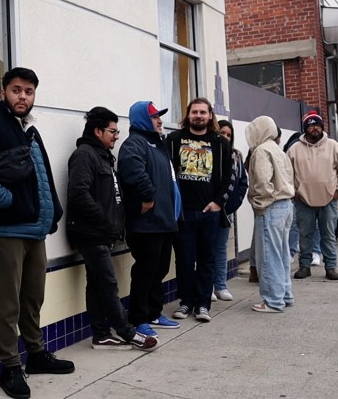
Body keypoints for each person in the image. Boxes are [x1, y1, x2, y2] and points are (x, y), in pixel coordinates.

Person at [0, 67, 72, 399]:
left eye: (29, 92)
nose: (23, 96)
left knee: (32, 298)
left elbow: (40, 178)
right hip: (6, 231)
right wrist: (10, 203)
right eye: (16, 90)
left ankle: (36, 355)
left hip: (34, 231)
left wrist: (51, 212)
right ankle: (10, 366)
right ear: (4, 92)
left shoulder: (27, 130)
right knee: (8, 304)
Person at [66, 106, 157, 351]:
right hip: (91, 233)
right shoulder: (85, 155)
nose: (117, 136)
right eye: (113, 131)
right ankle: (127, 333)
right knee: (108, 283)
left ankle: (101, 334)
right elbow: (78, 193)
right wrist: (104, 220)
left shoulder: (103, 155)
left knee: (96, 284)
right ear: (98, 131)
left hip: (101, 232)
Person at [118, 101, 181, 337]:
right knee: (145, 271)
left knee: (160, 270)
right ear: (143, 119)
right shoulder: (134, 143)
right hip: (145, 225)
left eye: (160, 117)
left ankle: (154, 312)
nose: (160, 120)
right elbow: (132, 170)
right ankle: (138, 317)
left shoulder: (158, 144)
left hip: (164, 222)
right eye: (155, 117)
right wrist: (147, 196)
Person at [167, 98, 232, 322]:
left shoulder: (221, 142)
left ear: (210, 115)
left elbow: (228, 177)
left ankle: (203, 304)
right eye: (194, 112)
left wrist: (218, 202)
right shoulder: (174, 140)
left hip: (210, 213)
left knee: (207, 259)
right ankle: (186, 302)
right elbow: (168, 174)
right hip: (183, 212)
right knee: (184, 260)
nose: (198, 116)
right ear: (188, 115)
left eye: (203, 112)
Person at [287, 111, 338, 281]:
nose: (314, 128)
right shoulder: (294, 149)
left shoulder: (333, 146)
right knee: (305, 234)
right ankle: (304, 266)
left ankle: (331, 267)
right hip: (303, 200)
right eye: (311, 125)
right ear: (305, 129)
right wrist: (294, 192)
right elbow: (287, 173)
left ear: (322, 127)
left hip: (329, 199)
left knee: (328, 234)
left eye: (317, 125)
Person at [245, 116, 295, 313]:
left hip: (271, 206)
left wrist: (260, 205)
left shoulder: (261, 150)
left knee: (268, 256)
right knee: (282, 254)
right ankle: (285, 295)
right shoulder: (277, 149)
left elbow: (263, 183)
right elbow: (290, 177)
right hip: (286, 205)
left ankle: (273, 301)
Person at [214, 119, 249, 302]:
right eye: (222, 133)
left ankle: (220, 285)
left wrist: (233, 204)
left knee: (220, 249)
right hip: (207, 209)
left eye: (229, 135)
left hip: (225, 212)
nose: (225, 137)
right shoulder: (208, 151)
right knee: (205, 250)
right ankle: (207, 287)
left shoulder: (237, 156)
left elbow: (243, 182)